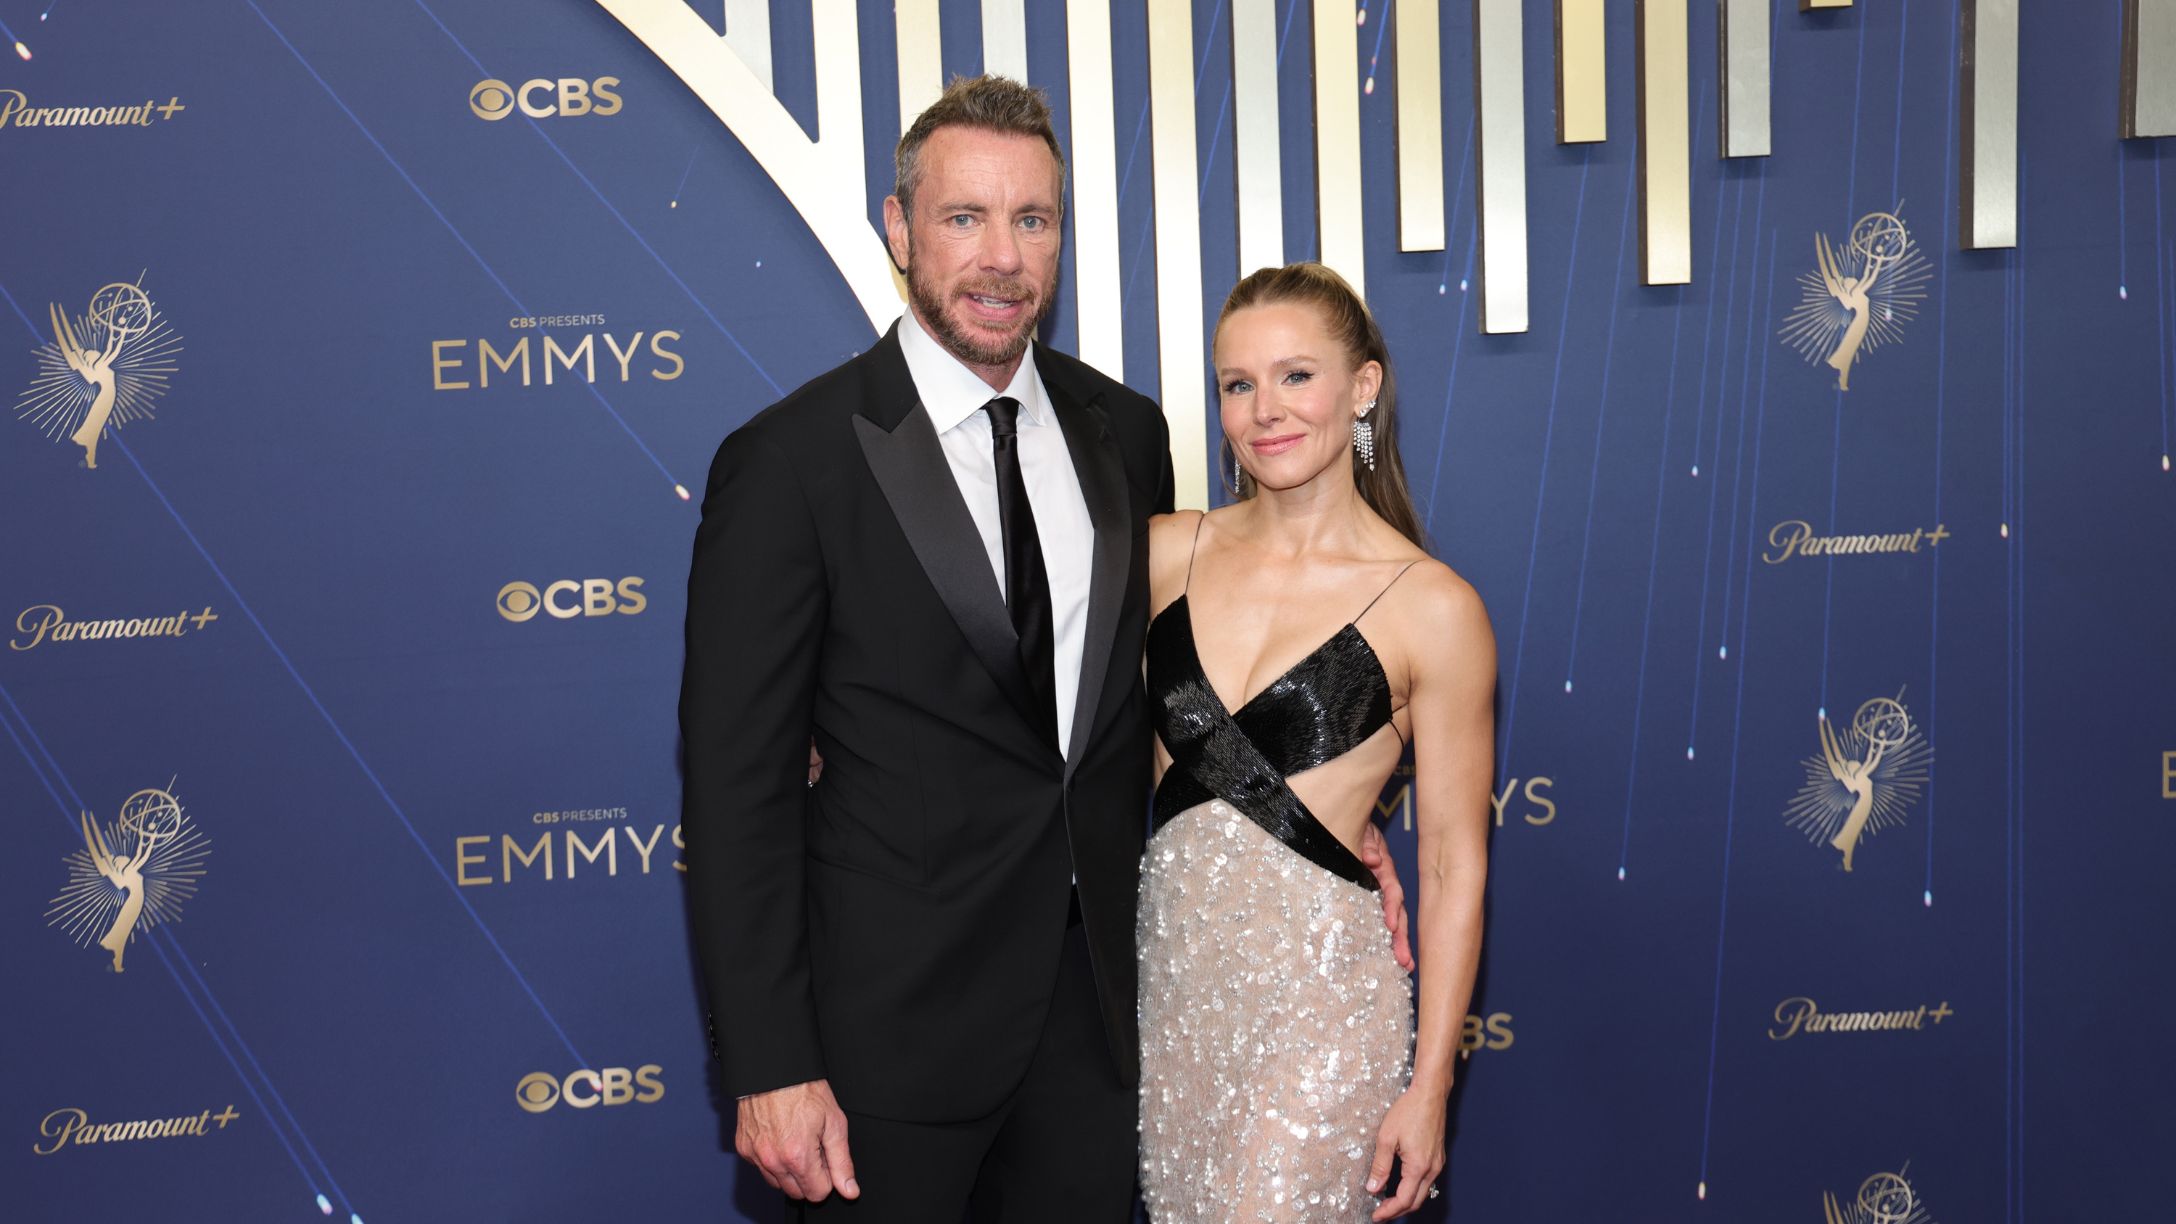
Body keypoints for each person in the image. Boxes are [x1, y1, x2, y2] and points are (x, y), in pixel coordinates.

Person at [679, 78, 1406, 1221]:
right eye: (964, 218)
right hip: (885, 1048)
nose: (1001, 257)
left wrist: (1317, 825)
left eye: (1033, 220)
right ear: (898, 227)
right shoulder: (791, 463)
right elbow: (736, 791)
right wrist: (772, 1064)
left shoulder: (1125, 434)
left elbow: (1175, 704)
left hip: (1104, 1030)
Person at [1138, 263, 1495, 1221]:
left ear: (1363, 387)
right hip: (1175, 1011)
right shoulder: (1165, 552)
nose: (1266, 411)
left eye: (1297, 376)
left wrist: (1430, 1090)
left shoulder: (1435, 608)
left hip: (1322, 1012)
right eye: (1238, 384)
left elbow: (1458, 863)